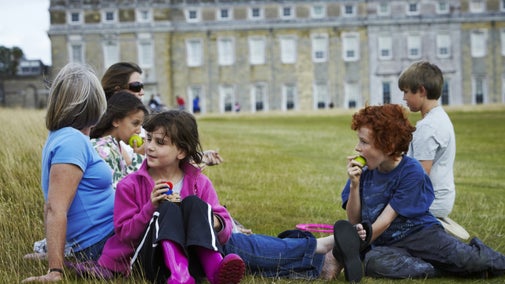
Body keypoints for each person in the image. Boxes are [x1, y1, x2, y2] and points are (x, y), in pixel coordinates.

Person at [341, 104, 505, 279]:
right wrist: (354, 185)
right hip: (386, 243)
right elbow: (354, 220)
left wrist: (355, 246)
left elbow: (386, 221)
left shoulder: (411, 171)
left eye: (364, 142)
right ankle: (440, 270)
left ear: (388, 146)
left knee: (468, 259)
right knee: (374, 263)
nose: (357, 147)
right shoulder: (364, 173)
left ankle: (490, 262)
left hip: (421, 235)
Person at [92, 110, 245, 284]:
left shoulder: (199, 183)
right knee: (167, 207)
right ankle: (178, 272)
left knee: (193, 203)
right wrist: (150, 207)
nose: (149, 147)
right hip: (148, 259)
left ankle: (214, 266)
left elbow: (225, 228)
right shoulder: (129, 185)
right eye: (148, 138)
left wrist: (202, 218)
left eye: (160, 142)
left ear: (181, 151)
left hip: (192, 258)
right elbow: (125, 234)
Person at [22, 63, 114, 283]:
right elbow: (55, 208)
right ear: (91, 103)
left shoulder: (66, 137)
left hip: (103, 235)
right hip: (103, 242)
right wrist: (55, 270)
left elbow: (53, 204)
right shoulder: (72, 142)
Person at [399, 60, 469, 240]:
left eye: (406, 91)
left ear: (421, 91)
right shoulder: (440, 117)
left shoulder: (428, 127)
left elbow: (419, 175)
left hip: (431, 201)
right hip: (443, 197)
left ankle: (432, 225)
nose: (404, 98)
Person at [90, 91, 149, 188]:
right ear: (116, 121)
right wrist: (139, 156)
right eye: (135, 123)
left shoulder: (114, 146)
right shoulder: (103, 149)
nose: (139, 131)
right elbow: (122, 191)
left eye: (140, 125)